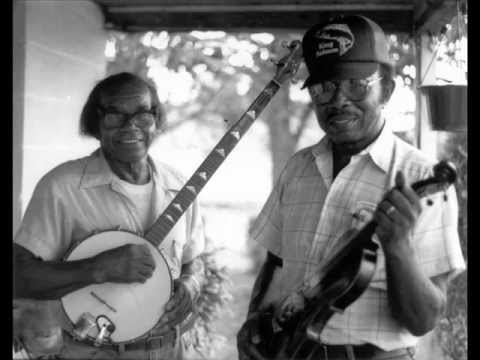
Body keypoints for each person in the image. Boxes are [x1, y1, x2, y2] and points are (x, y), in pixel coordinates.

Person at [237, 15, 466, 360]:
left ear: (386, 89)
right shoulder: (298, 168)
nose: (339, 99)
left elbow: (423, 321)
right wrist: (255, 319)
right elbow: (277, 262)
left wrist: (398, 246)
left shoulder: (422, 178)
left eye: (357, 83)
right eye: (324, 87)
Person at [13, 72, 206, 360]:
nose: (131, 127)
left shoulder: (179, 185)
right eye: (115, 115)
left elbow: (194, 261)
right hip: (93, 352)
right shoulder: (62, 187)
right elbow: (18, 276)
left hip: (170, 350)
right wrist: (97, 268)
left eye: (142, 114)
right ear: (96, 122)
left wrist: (191, 285)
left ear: (156, 119)